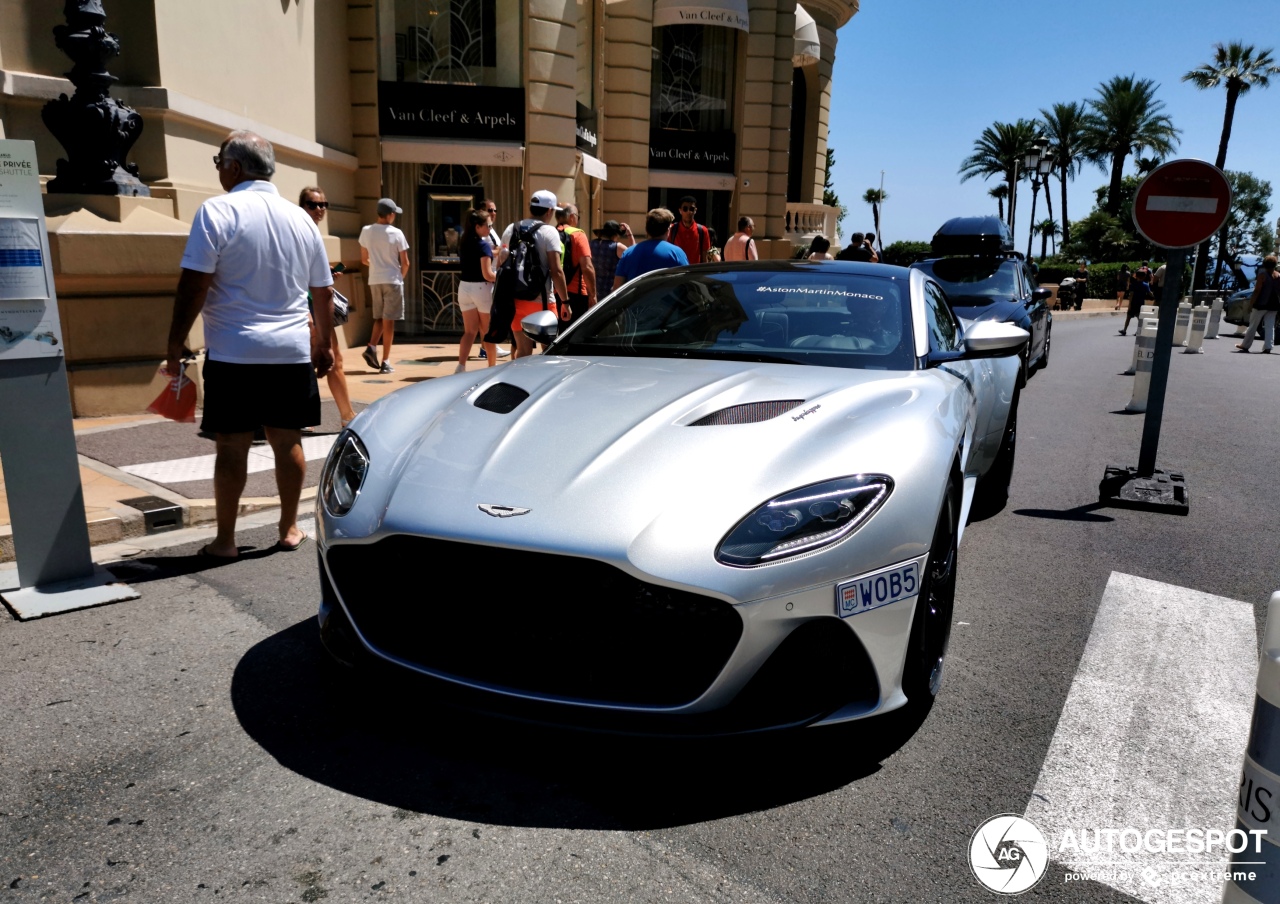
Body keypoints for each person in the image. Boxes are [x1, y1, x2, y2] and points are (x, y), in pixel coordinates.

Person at [164, 130, 332, 559]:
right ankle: (291, 526)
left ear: (234, 167)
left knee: (232, 446)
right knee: (287, 440)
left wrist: (175, 341)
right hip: (290, 350)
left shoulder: (217, 211)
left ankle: (225, 540)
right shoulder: (301, 219)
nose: (219, 168)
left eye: (219, 160)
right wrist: (323, 344)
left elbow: (193, 285)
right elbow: (323, 292)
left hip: (234, 352)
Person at [299, 186, 356, 428]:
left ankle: (345, 415)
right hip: (308, 308)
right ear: (302, 206)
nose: (319, 209)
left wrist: (327, 276)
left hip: (315, 306)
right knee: (328, 361)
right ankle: (347, 416)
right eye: (313, 204)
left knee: (324, 361)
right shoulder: (302, 232)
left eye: (323, 204)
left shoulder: (309, 232)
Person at [497, 189, 568, 358]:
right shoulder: (549, 232)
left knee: (522, 351)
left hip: (515, 300)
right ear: (549, 211)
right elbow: (556, 270)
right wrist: (566, 301)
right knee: (549, 351)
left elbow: (500, 263)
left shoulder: (511, 228)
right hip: (542, 301)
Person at [358, 198, 410, 374]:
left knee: (379, 318)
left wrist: (377, 266)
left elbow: (364, 259)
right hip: (392, 280)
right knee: (389, 323)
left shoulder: (366, 231)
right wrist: (399, 278)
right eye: (394, 213)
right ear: (390, 215)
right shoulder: (397, 233)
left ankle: (372, 346)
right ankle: (385, 361)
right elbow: (406, 263)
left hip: (375, 279)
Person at [457, 208, 497, 372]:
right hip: (481, 289)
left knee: (469, 331)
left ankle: (461, 366)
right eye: (488, 225)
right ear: (477, 226)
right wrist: (500, 276)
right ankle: (492, 368)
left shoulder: (464, 242)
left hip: (464, 287)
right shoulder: (483, 245)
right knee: (487, 332)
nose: (490, 229)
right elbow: (487, 274)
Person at [614, 208, 688, 289]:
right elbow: (687, 284)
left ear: (646, 229)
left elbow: (617, 288)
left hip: (637, 301)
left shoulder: (628, 253)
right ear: (668, 230)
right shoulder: (676, 253)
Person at [555, 203, 597, 328]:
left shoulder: (551, 233)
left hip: (554, 292)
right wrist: (593, 295)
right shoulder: (578, 235)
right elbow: (587, 267)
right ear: (572, 217)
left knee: (556, 335)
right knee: (575, 334)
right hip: (576, 294)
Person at [1236, 255, 1279, 354]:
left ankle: (1245, 345)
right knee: (1270, 326)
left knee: (1253, 325)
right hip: (1274, 304)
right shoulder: (1278, 275)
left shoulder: (1262, 275)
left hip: (1261, 304)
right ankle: (1268, 347)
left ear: (1264, 264)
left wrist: (1251, 304)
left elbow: (1257, 291)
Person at [590, 220, 633, 301]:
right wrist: (629, 234)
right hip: (609, 293)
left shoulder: (591, 244)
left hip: (592, 291)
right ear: (615, 235)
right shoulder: (617, 247)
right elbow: (633, 253)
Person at [667, 195, 710, 264]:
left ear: (695, 210)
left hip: (695, 272)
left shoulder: (703, 231)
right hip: (677, 271)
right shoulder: (672, 229)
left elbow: (705, 257)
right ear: (680, 211)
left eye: (691, 209)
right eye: (685, 209)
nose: (688, 212)